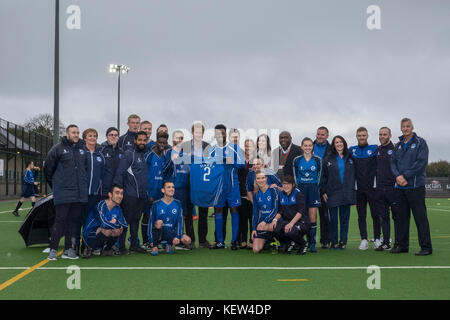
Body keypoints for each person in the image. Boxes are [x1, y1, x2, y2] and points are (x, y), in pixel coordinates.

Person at [44, 124, 88, 260]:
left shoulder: (82, 149)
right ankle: (53, 249)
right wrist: (57, 185)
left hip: (78, 193)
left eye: (78, 132)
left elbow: (85, 168)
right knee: (60, 221)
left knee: (73, 222)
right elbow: (48, 169)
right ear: (67, 133)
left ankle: (68, 249)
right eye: (73, 132)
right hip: (63, 192)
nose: (76, 135)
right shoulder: (58, 148)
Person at [390, 118, 432, 256]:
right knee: (401, 218)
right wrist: (398, 176)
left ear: (412, 127)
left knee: (420, 218)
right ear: (401, 128)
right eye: (403, 126)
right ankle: (402, 246)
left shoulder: (421, 142)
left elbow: (421, 163)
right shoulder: (398, 145)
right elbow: (393, 163)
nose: (406, 128)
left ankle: (426, 247)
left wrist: (405, 176)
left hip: (415, 186)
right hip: (400, 187)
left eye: (408, 126)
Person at [207, 125, 245, 250]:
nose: (220, 135)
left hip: (232, 185)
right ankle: (220, 242)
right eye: (218, 133)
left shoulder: (234, 147)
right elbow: (207, 167)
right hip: (218, 187)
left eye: (222, 133)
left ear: (225, 134)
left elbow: (242, 164)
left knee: (234, 210)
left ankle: (234, 241)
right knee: (218, 211)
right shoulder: (211, 149)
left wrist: (230, 160)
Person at [176, 122, 211, 248]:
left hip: (202, 183)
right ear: (192, 133)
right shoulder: (184, 146)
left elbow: (211, 165)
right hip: (188, 183)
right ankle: (190, 240)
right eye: (195, 131)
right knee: (189, 212)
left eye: (200, 132)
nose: (198, 134)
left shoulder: (208, 146)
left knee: (203, 212)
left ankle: (203, 240)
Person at [113, 130, 149, 254]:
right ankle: (121, 246)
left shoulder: (145, 155)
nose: (142, 142)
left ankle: (134, 244)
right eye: (140, 140)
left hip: (142, 195)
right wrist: (118, 192)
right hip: (130, 195)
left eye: (144, 140)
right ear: (135, 141)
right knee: (126, 221)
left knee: (136, 220)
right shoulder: (129, 154)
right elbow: (120, 172)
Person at [321, 135, 356, 250]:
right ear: (333, 145)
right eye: (336, 142)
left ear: (344, 143)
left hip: (346, 192)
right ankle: (334, 241)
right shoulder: (327, 159)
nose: (339, 144)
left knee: (344, 219)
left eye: (341, 142)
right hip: (332, 192)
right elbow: (323, 177)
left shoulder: (350, 157)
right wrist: (323, 191)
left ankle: (343, 241)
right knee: (333, 220)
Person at [75, 128, 105, 256]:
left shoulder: (100, 155)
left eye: (94, 136)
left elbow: (102, 175)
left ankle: (86, 246)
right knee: (77, 221)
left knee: (89, 222)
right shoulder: (80, 152)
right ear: (85, 138)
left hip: (94, 194)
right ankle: (74, 246)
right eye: (90, 136)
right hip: (80, 194)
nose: (92, 138)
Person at [349, 127, 380, 250]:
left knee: (375, 214)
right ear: (356, 137)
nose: (361, 137)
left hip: (372, 188)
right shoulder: (352, 150)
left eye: (363, 135)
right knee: (361, 215)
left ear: (367, 136)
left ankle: (377, 238)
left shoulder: (374, 148)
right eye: (359, 135)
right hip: (359, 189)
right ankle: (364, 239)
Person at [141, 132, 172, 249]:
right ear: (156, 142)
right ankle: (145, 241)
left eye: (164, 143)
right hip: (149, 192)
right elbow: (143, 174)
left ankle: (156, 241)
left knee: (159, 217)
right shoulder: (149, 155)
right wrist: (148, 193)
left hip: (160, 193)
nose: (162, 145)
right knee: (147, 216)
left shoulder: (165, 157)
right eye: (160, 142)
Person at [292, 137, 322, 253]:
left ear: (312, 146)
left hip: (313, 189)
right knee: (300, 216)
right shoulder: (297, 160)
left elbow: (319, 176)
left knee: (312, 218)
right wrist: (298, 189)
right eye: (305, 145)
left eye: (310, 145)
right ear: (302, 147)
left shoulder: (317, 159)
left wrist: (315, 187)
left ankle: (312, 242)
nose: (308, 147)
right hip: (301, 189)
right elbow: (295, 176)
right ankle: (300, 241)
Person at [82, 185, 128, 257]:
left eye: (121, 193)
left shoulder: (118, 208)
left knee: (117, 230)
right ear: (110, 195)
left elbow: (125, 225)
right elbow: (104, 223)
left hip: (103, 232)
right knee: (108, 230)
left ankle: (106, 250)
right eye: (117, 193)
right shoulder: (100, 205)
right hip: (90, 234)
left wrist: (117, 226)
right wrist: (116, 225)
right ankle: (89, 248)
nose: (120, 196)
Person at [148, 181, 192, 255]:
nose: (172, 189)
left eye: (173, 187)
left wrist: (178, 236)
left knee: (187, 240)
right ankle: (155, 247)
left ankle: (168, 244)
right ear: (163, 190)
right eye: (169, 187)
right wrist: (151, 240)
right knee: (159, 222)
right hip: (159, 232)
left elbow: (180, 222)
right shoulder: (156, 204)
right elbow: (151, 222)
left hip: (170, 232)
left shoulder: (178, 203)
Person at [170, 130, 195, 249]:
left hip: (185, 191)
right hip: (173, 190)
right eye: (176, 138)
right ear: (172, 140)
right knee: (174, 215)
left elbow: (193, 171)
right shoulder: (168, 154)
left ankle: (187, 241)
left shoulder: (187, 156)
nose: (179, 140)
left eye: (181, 138)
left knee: (185, 215)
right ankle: (173, 239)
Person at [273, 175, 310, 255]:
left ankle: (303, 244)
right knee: (274, 228)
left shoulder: (298, 194)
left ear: (293, 184)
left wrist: (291, 224)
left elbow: (300, 212)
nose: (286, 186)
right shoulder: (281, 194)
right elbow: (280, 211)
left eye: (288, 184)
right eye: (284, 184)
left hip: (301, 222)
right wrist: (275, 220)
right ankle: (289, 243)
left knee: (291, 231)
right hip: (287, 221)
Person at [374, 127, 396, 251]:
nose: (382, 136)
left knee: (397, 217)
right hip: (380, 189)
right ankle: (386, 242)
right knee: (384, 217)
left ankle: (399, 242)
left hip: (393, 189)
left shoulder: (395, 150)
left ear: (390, 135)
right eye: (380, 134)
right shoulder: (378, 150)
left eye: (384, 134)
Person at [251, 170, 279, 253]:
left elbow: (275, 209)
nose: (261, 180)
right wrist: (254, 229)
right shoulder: (255, 193)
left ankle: (276, 241)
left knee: (264, 226)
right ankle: (268, 242)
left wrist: (265, 221)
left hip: (273, 220)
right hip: (261, 223)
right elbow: (255, 213)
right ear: (256, 180)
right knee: (256, 250)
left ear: (266, 178)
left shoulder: (273, 190)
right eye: (258, 178)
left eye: (263, 178)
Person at [313, 126, 332, 248]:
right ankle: (309, 240)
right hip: (310, 187)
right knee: (309, 215)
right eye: (318, 134)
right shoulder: (308, 146)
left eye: (322, 134)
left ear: (327, 136)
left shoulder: (332, 149)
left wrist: (325, 189)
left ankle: (325, 240)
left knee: (325, 215)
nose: (320, 136)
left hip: (324, 188)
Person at [237, 139, 256, 249]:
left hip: (253, 194)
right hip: (241, 194)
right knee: (242, 218)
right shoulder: (240, 160)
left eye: (250, 146)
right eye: (246, 146)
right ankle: (242, 240)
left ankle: (252, 240)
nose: (248, 148)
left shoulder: (257, 160)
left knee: (252, 219)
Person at [99, 127, 123, 199]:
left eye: (116, 135)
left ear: (118, 137)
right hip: (104, 189)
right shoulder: (101, 150)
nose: (113, 137)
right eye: (111, 135)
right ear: (107, 136)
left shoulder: (122, 151)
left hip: (117, 188)